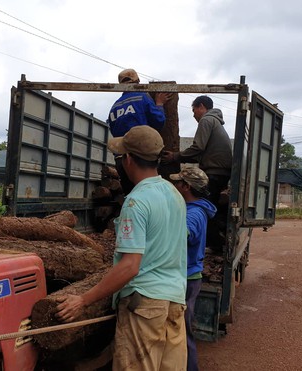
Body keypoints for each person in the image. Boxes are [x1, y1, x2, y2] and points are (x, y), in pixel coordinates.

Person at [56, 125, 188, 371]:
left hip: (145, 306)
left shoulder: (136, 201)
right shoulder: (174, 194)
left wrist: (83, 300)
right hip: (175, 301)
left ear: (128, 159)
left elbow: (130, 266)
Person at [162, 95, 232, 250]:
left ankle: (215, 244)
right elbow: (202, 153)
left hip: (214, 172)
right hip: (220, 172)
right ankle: (217, 240)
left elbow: (197, 148)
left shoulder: (206, 120)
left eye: (194, 111)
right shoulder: (216, 122)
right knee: (211, 205)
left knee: (203, 206)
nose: (193, 115)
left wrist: (175, 156)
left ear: (201, 106)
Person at [169, 167, 217, 371]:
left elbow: (182, 235)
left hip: (186, 279)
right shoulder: (191, 208)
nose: (174, 185)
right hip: (185, 276)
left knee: (181, 332)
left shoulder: (194, 213)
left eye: (178, 182)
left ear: (186, 186)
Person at [108, 68, 172, 195]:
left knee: (130, 196)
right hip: (141, 159)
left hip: (121, 159)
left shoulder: (114, 106)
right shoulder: (142, 97)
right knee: (147, 196)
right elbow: (159, 121)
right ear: (138, 81)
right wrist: (159, 104)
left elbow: (113, 130)